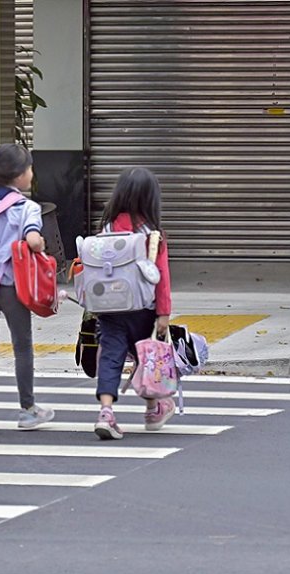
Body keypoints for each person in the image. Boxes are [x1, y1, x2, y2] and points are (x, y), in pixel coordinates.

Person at [0, 143, 55, 438]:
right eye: (29, 168)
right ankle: (27, 410)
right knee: (22, 347)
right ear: (19, 175)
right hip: (12, 287)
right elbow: (33, 240)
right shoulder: (26, 208)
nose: (32, 173)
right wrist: (40, 245)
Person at [93, 167, 174, 440]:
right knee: (145, 358)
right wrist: (164, 313)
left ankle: (106, 412)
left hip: (110, 307)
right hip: (142, 308)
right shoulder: (153, 234)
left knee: (111, 356)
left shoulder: (106, 228)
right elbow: (161, 277)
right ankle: (153, 409)